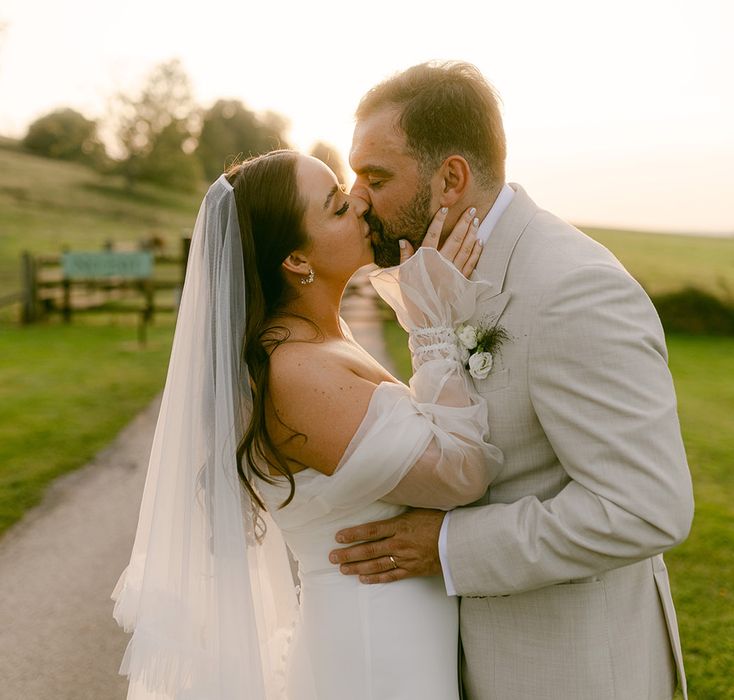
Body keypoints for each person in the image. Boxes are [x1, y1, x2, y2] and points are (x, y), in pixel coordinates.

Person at [330, 61, 695, 700]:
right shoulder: (439, 273)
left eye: (376, 177)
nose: (357, 197)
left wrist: (447, 545)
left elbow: (644, 508)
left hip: (570, 670)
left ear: (450, 178)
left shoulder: (573, 289)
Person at [111, 148, 505, 700]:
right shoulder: (295, 371)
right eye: (339, 206)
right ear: (297, 261)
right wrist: (432, 328)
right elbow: (460, 474)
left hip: (395, 638)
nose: (362, 203)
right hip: (374, 656)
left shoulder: (321, 341)